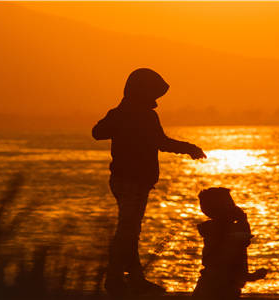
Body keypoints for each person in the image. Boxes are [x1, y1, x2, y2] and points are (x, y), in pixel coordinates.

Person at [92, 68, 206, 297]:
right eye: (152, 93)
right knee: (127, 231)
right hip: (131, 181)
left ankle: (135, 279)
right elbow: (160, 142)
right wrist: (189, 148)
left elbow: (100, 132)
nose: (154, 99)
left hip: (127, 181)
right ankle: (114, 279)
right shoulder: (136, 115)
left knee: (130, 230)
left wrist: (120, 118)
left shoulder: (125, 113)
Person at [193, 187, 268, 300]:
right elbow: (225, 270)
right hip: (217, 291)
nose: (234, 206)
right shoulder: (220, 231)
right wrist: (243, 219)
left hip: (215, 288)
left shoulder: (220, 229)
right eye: (230, 203)